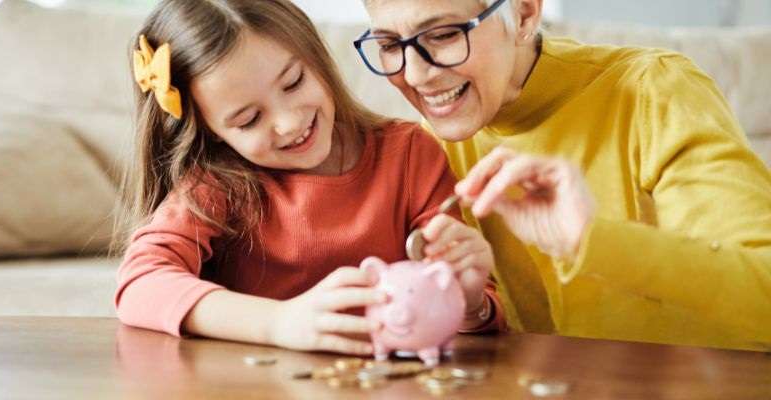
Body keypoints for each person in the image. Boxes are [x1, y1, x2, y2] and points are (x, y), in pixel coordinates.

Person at [358, 0, 771, 350]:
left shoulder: (655, 91)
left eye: (445, 34)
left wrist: (591, 240)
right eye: (390, 45)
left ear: (523, 14)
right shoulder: (426, 149)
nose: (413, 75)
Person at [113, 0, 503, 356]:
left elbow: (471, 315)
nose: (289, 122)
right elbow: (140, 282)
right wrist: (277, 323)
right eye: (249, 119)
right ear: (213, 131)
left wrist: (469, 301)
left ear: (316, 58)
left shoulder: (411, 154)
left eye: (294, 82)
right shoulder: (216, 183)